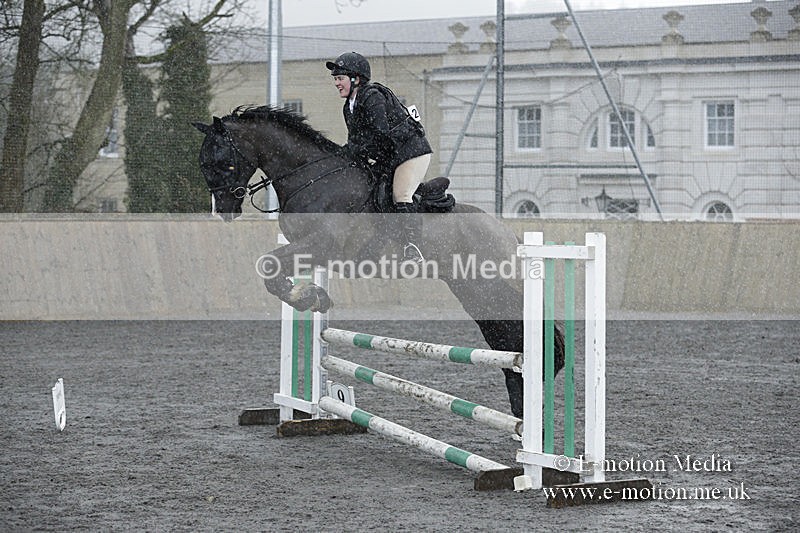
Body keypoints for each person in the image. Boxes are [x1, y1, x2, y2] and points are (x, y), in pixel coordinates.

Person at [326, 52, 432, 263]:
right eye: (335, 79)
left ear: (355, 79)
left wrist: (356, 152)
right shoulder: (349, 107)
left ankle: (413, 249)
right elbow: (356, 141)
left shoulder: (372, 96)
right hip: (390, 154)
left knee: (400, 194)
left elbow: (380, 135)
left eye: (340, 78)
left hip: (410, 151)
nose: (337, 83)